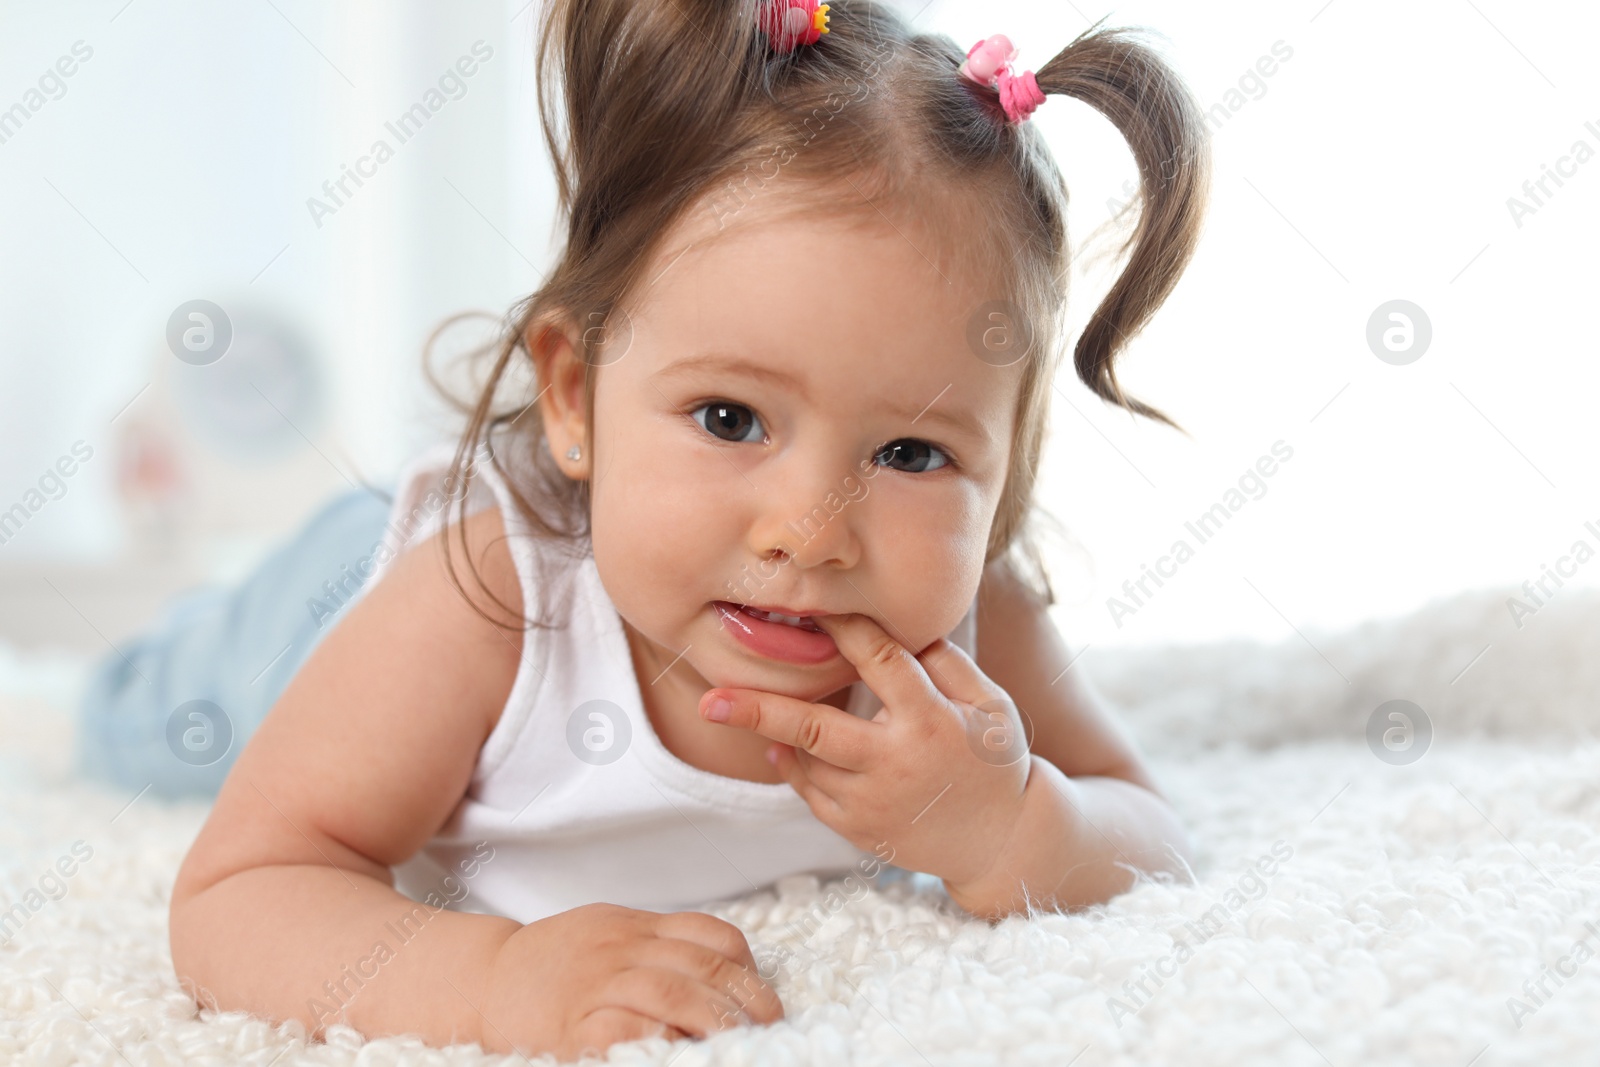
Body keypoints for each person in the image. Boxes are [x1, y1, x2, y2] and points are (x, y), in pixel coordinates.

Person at [162, 0, 1211, 1057]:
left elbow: (1148, 825)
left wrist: (1016, 822)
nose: (810, 533)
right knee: (162, 705)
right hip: (317, 609)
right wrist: (495, 976)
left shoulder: (979, 633)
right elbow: (238, 889)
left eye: (909, 454)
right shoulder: (483, 604)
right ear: (574, 394)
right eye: (730, 418)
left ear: (1006, 468)